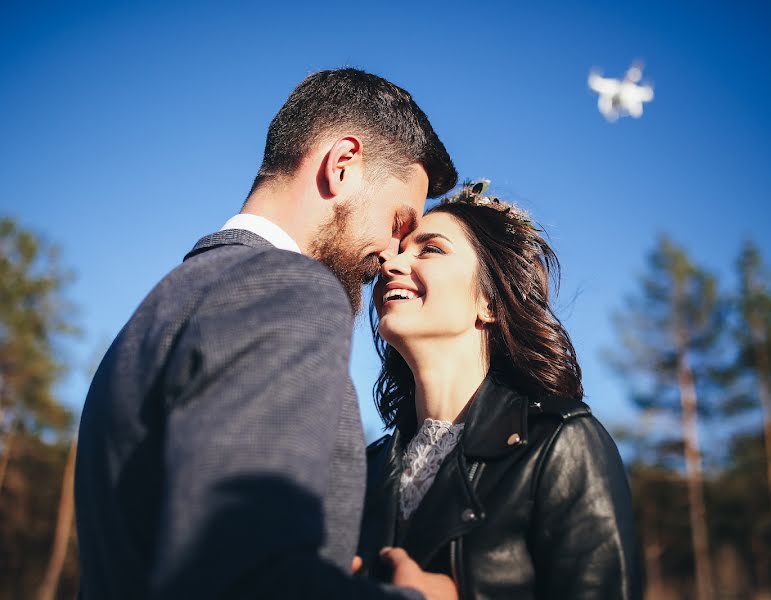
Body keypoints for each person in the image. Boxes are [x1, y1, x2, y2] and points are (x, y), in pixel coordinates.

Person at [75, 68, 460, 599]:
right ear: (342, 164)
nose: (395, 255)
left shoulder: (160, 310)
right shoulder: (287, 288)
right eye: (399, 223)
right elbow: (246, 578)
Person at [357, 182, 640, 599]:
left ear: (489, 302)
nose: (391, 266)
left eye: (430, 249)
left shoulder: (560, 444)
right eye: (398, 251)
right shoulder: (365, 467)